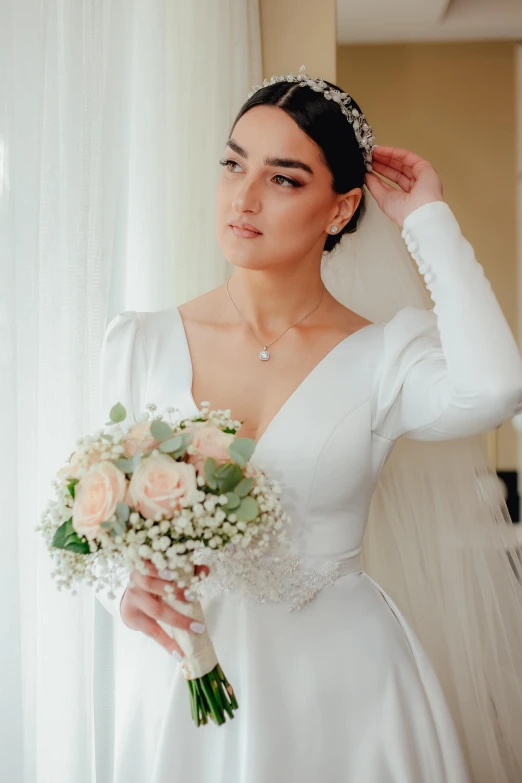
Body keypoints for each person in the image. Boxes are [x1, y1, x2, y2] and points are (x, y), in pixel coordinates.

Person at [97, 66, 522, 782]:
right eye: (234, 164)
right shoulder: (138, 343)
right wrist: (125, 589)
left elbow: (497, 387)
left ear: (339, 207)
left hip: (348, 695)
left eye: (284, 179)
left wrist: (428, 220)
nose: (244, 196)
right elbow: (108, 525)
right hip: (188, 687)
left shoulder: (386, 355)